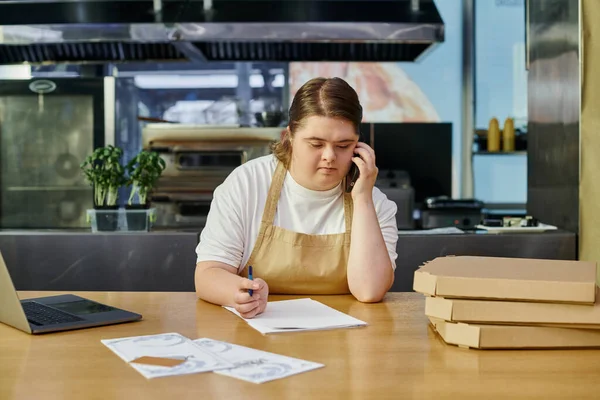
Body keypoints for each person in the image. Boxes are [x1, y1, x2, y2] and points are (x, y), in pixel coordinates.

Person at [195, 77, 399, 318]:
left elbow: (369, 291)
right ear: (289, 136)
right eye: (316, 144)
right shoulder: (247, 184)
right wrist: (237, 293)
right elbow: (208, 274)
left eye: (343, 145)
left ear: (358, 145)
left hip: (345, 342)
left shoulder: (373, 201)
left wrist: (363, 199)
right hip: (258, 335)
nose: (329, 156)